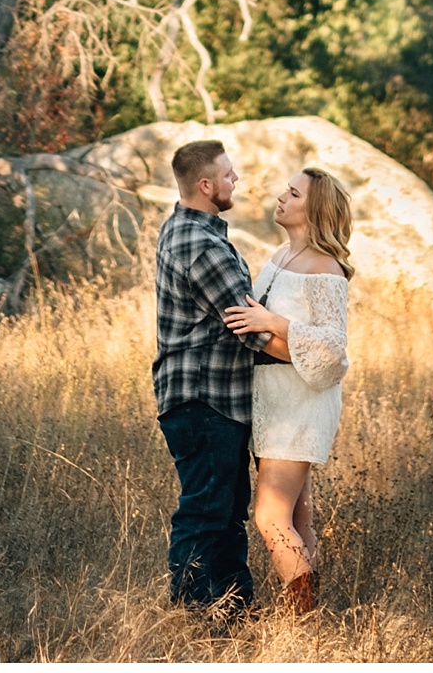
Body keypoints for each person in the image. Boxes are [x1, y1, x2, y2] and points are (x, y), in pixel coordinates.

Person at [151, 139, 288, 627]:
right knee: (207, 514)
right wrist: (309, 354)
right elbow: (249, 327)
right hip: (205, 399)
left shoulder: (185, 231)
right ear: (206, 185)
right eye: (229, 175)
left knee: (225, 514)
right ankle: (189, 622)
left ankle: (234, 617)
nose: (237, 181)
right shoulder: (202, 245)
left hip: (209, 401)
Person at [222, 166, 353, 614]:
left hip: (301, 403)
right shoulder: (280, 255)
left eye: (293, 193)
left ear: (313, 209)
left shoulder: (326, 268)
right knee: (298, 514)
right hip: (271, 398)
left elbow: (334, 348)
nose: (281, 196)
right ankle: (312, 618)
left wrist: (275, 322)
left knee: (269, 517)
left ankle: (302, 622)